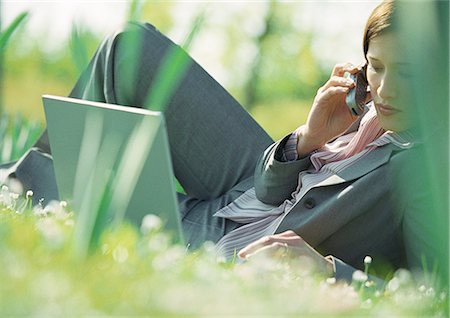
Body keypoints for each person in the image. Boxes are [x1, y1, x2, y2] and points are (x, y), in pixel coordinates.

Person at [0, 0, 447, 286]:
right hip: (247, 190)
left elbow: (435, 295)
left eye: (407, 73)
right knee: (130, 49)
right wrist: (308, 139)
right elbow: (271, 188)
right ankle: (23, 179)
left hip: (234, 239)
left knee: (64, 194)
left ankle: (16, 186)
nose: (384, 90)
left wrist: (330, 272)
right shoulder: (365, 114)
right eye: (376, 67)